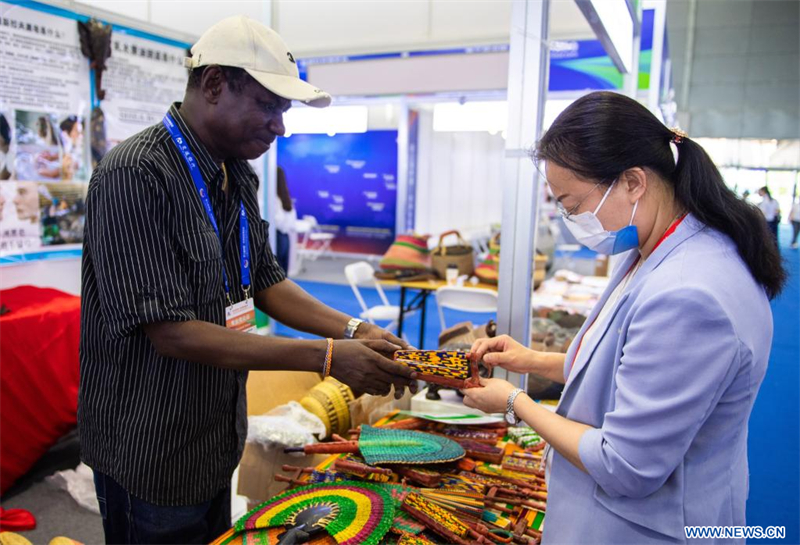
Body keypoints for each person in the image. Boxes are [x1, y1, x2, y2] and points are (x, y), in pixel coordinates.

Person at [79, 16, 416, 545]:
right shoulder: (135, 175)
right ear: (214, 84)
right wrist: (327, 357)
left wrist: (354, 330)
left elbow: (265, 279)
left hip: (214, 434)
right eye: (269, 105)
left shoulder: (238, 173)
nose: (279, 126)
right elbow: (171, 332)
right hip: (149, 445)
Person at [462, 92, 786, 544]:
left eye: (574, 205)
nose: (573, 219)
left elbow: (625, 465)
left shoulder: (689, 296)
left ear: (633, 182)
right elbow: (625, 366)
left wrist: (517, 405)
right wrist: (532, 361)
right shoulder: (656, 247)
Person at [274, 166, 296, 273]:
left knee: (276, 273)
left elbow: (276, 221)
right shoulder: (286, 198)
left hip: (276, 237)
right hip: (285, 237)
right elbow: (291, 222)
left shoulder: (273, 199)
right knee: (283, 273)